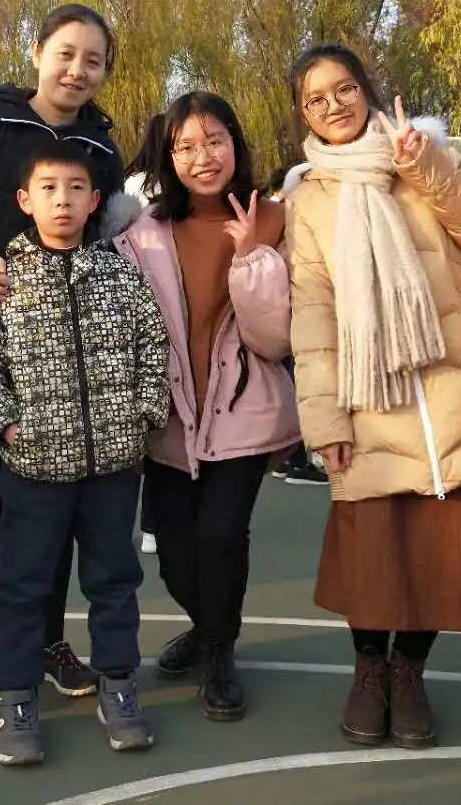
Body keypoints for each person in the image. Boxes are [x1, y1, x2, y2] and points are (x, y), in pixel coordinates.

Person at [284, 42, 461, 749]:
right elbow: (312, 310)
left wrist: (426, 166)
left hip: (451, 382)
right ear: (303, 114)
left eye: (344, 88)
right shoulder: (308, 195)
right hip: (368, 392)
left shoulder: (423, 157)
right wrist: (324, 417)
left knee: (443, 549)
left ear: (367, 88)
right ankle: (369, 669)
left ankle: (410, 671)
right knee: (375, 553)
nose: (333, 105)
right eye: (315, 98)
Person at [0, 3, 125, 718]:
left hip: (68, 359)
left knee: (56, 504)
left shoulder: (103, 149)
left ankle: (47, 641)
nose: (77, 70)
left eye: (93, 60)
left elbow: (105, 247)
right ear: (37, 51)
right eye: (66, 53)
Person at [0, 138, 169, 765]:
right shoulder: (6, 281)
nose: (63, 201)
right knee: (20, 585)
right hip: (35, 472)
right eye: (48, 189)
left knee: (114, 580)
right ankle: (16, 697)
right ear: (26, 200)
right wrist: (6, 427)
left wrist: (144, 413)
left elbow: (152, 345)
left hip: (112, 469)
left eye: (76, 189)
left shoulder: (119, 274)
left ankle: (119, 685)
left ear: (95, 200)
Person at [114, 91, 300, 721]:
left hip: (243, 410)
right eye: (186, 146)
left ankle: (219, 652)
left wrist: (250, 257)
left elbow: (274, 339)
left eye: (214, 140)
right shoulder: (142, 234)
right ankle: (206, 625)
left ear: (235, 144)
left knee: (221, 535)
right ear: (168, 157)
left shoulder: (272, 220)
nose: (203, 157)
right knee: (172, 554)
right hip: (169, 417)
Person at [123, 112, 165, 551]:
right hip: (164, 303)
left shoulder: (131, 184)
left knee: (142, 427)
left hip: (135, 303)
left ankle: (146, 523)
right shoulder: (162, 185)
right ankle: (155, 522)